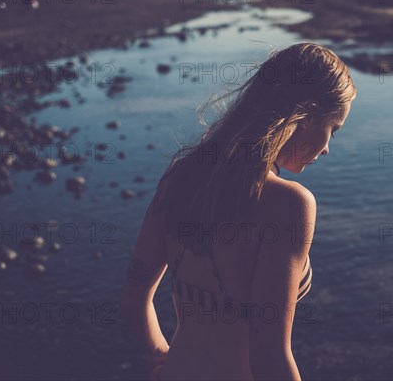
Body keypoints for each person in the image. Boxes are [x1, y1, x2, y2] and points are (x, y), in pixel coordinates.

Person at [121, 42, 357, 380]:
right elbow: (269, 357)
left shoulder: (181, 178)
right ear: (305, 117)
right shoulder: (290, 205)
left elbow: (133, 298)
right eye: (332, 128)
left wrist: (161, 355)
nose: (327, 148)